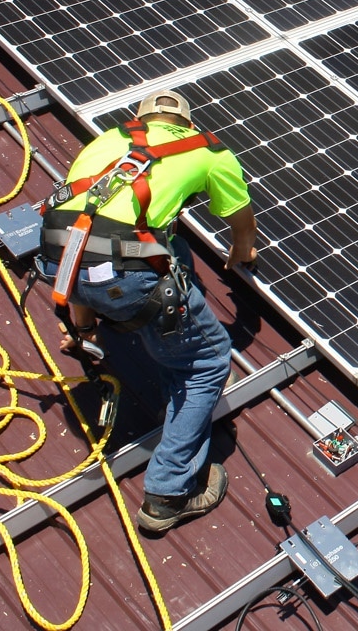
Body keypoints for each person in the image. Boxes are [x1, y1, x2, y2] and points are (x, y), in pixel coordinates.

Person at [39, 89, 258, 533]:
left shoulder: (107, 140)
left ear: (140, 119)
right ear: (186, 124)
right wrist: (243, 248)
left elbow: (83, 229)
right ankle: (168, 494)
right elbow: (240, 217)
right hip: (125, 277)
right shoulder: (208, 149)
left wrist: (85, 331)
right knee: (206, 362)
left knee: (123, 237)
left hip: (54, 257)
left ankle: (93, 331)